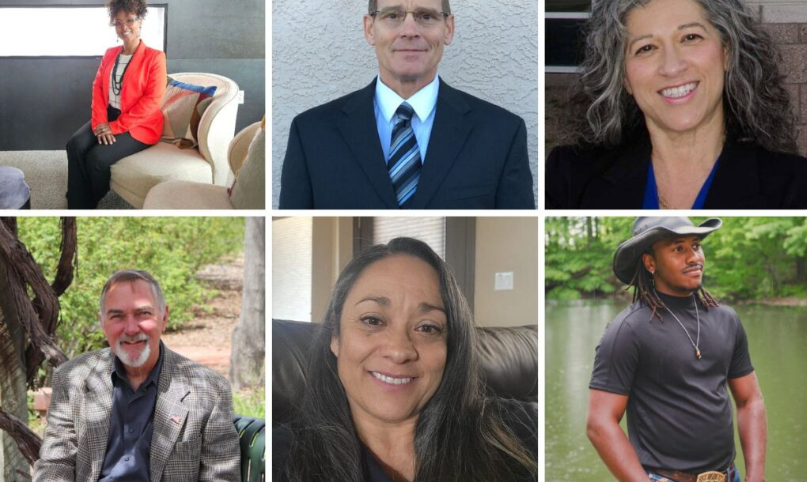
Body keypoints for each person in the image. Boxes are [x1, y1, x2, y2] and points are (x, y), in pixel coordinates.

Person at [546, 0, 807, 209]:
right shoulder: (569, 179)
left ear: (727, 52)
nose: (672, 67)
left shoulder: (795, 186)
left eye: (690, 38)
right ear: (623, 76)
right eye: (646, 48)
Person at [273, 237, 537, 482]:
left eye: (427, 328)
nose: (399, 351)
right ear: (336, 336)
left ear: (451, 345)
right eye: (372, 320)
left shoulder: (520, 432)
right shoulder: (279, 460)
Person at [279, 0, 534, 209]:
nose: (409, 30)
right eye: (393, 15)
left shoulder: (502, 134)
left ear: (448, 29)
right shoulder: (311, 133)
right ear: (370, 29)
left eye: (426, 16)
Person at [586, 217, 767, 482]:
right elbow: (599, 424)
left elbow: (750, 400)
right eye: (678, 249)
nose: (694, 257)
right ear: (650, 262)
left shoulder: (726, 319)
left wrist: (756, 474)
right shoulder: (628, 330)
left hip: (731, 476)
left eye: (695, 246)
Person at [34, 270, 239, 482]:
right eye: (117, 316)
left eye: (143, 314)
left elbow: (221, 476)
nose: (131, 329)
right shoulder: (72, 379)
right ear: (103, 323)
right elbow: (56, 463)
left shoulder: (209, 390)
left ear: (164, 317)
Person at [66, 0, 166, 209]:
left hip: (139, 124)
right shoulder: (110, 53)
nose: (124, 27)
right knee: (75, 145)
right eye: (118, 22)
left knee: (97, 159)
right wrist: (101, 122)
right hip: (108, 116)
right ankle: (76, 199)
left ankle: (89, 202)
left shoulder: (155, 58)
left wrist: (115, 127)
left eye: (130, 20)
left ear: (140, 21)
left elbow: (151, 102)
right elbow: (98, 88)